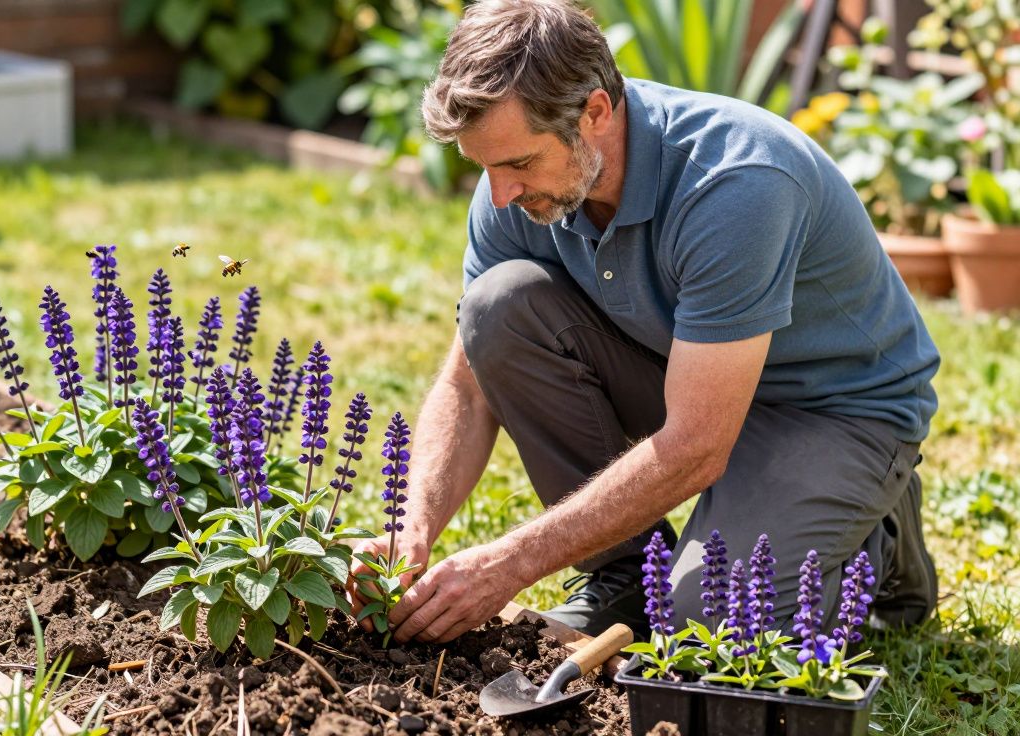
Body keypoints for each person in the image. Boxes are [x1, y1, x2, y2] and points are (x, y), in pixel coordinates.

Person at [347, 0, 940, 644]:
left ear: (595, 114)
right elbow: (466, 385)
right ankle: (626, 574)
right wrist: (412, 529)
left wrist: (512, 563)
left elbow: (695, 446)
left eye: (518, 164)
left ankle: (873, 533)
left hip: (829, 411)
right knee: (499, 306)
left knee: (707, 625)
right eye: (483, 166)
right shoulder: (515, 188)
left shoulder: (736, 181)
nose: (500, 196)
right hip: (691, 374)